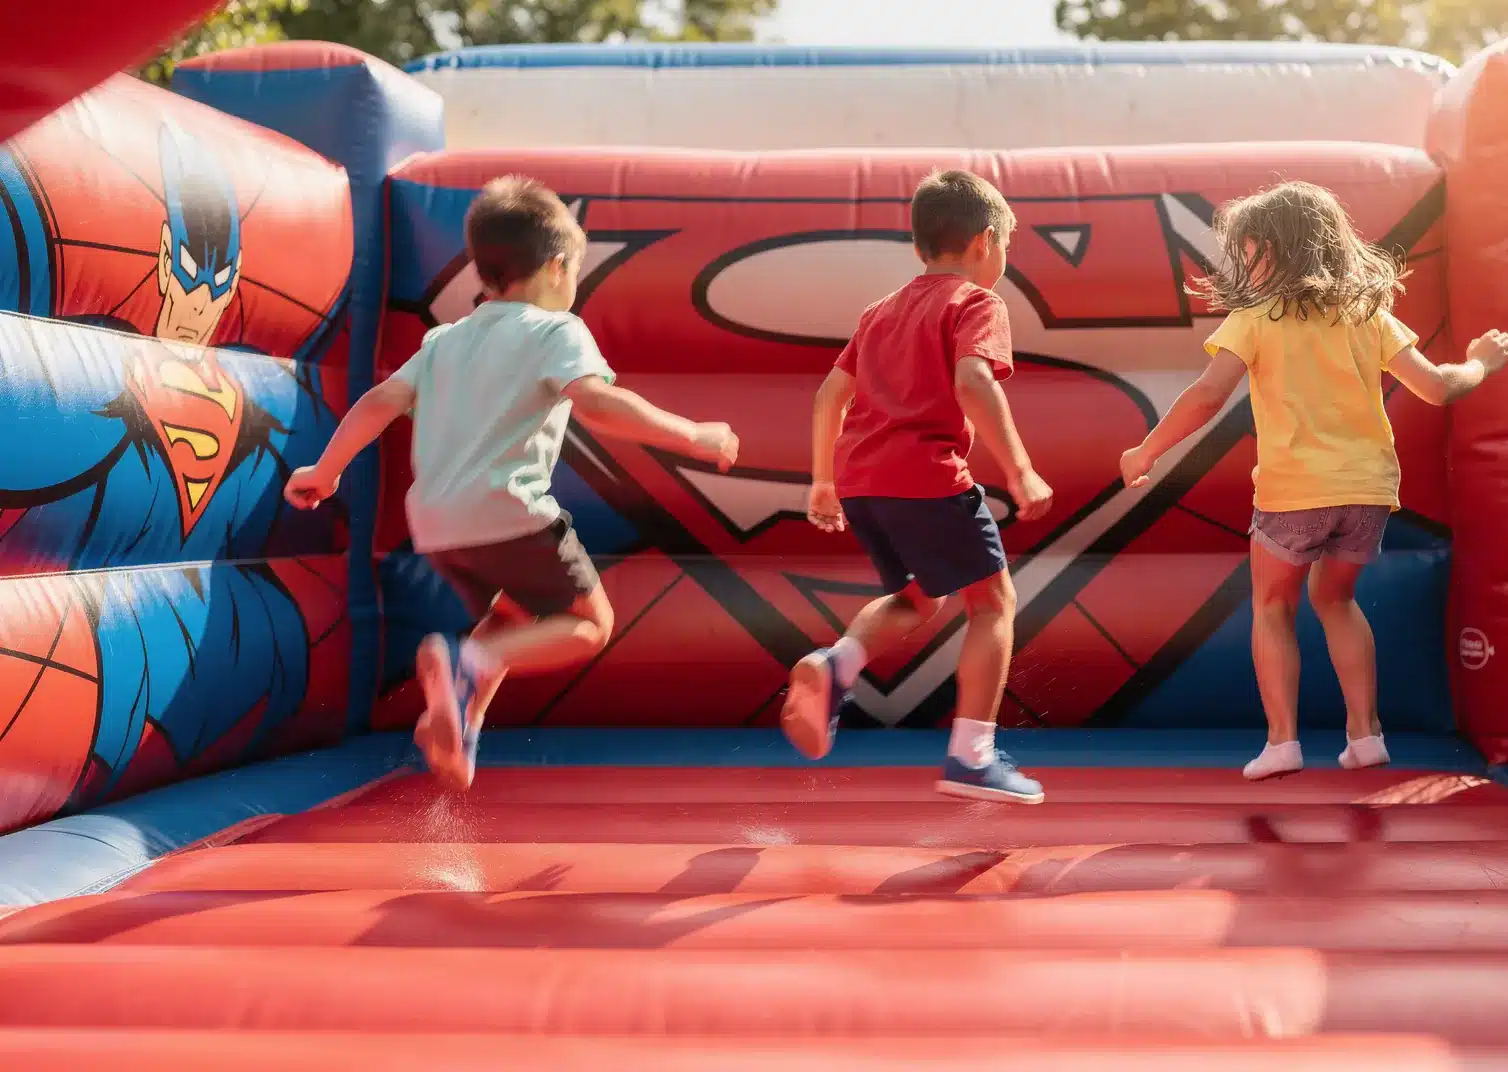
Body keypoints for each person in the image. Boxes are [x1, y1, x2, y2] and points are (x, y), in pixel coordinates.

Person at [284, 175, 738, 790]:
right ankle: (467, 663)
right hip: (509, 510)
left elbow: (380, 400)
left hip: (438, 526)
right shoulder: (556, 331)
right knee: (589, 625)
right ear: (557, 268)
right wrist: (693, 436)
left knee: (516, 615)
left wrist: (326, 469)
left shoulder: (444, 340)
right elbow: (600, 405)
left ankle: (458, 726)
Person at [1117, 181, 1508, 779]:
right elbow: (1437, 386)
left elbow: (1206, 396)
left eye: (1249, 250)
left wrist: (1148, 449)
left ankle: (1282, 741)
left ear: (1277, 250)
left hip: (1294, 492)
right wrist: (1482, 360)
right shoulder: (1368, 315)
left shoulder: (1255, 319)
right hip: (1367, 491)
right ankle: (1366, 734)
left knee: (1273, 605)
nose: (1244, 263)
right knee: (1337, 600)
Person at [782, 168, 1054, 804]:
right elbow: (974, 384)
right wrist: (1018, 470)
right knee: (992, 604)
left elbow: (830, 395)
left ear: (920, 245)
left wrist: (822, 480)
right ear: (987, 241)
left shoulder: (881, 311)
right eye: (1006, 247)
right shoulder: (977, 303)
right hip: (926, 476)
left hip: (862, 482)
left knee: (916, 599)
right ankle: (972, 755)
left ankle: (836, 664)